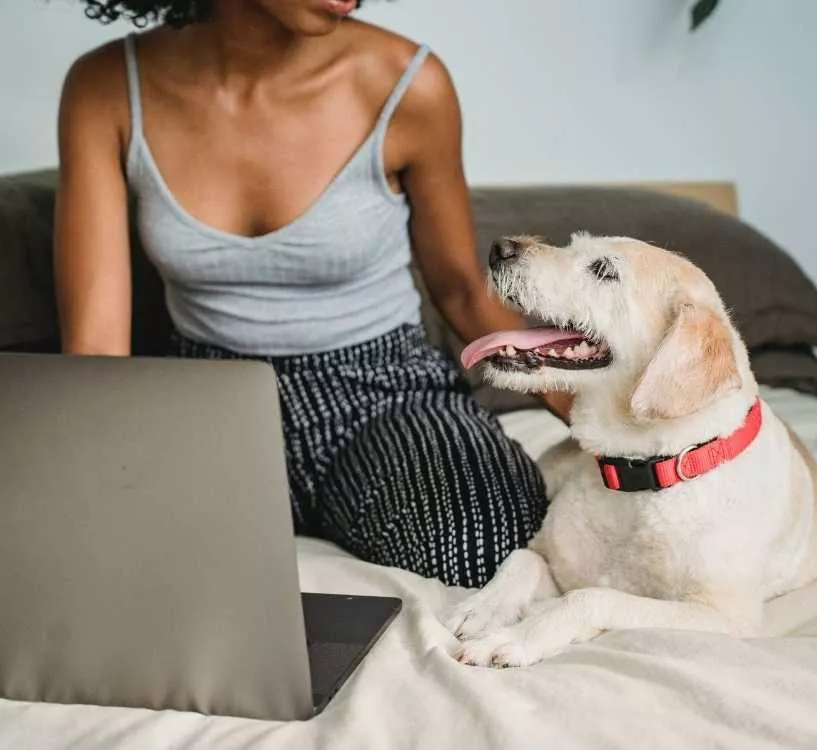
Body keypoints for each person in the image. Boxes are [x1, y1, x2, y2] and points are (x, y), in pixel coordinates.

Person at [55, 0, 572, 588]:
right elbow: (96, 345)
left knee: (490, 548)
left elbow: (459, 290)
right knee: (130, 573)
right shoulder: (107, 87)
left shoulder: (408, 84)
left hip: (385, 394)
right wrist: (101, 487)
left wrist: (580, 402)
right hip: (205, 407)